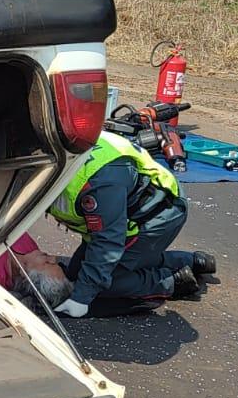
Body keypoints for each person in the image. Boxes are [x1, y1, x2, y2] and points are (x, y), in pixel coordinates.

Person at [45, 132, 215, 317]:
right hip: (121, 217)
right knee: (78, 272)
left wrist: (80, 299)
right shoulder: (64, 144)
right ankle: (191, 261)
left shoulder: (95, 180)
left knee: (102, 283)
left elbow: (107, 243)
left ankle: (171, 282)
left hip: (156, 216)